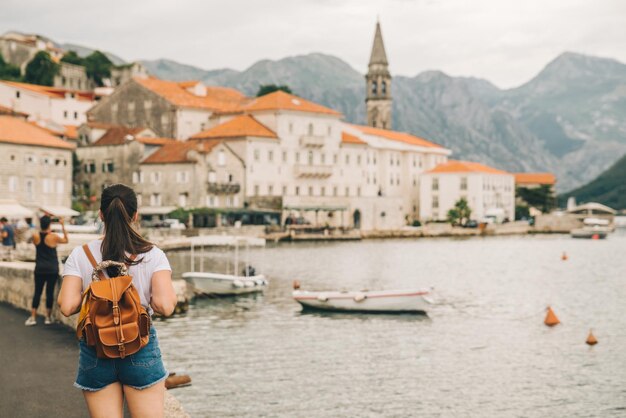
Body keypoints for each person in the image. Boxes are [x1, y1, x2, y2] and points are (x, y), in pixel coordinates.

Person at [58, 184, 177, 418]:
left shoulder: (81, 254)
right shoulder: (152, 255)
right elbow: (165, 306)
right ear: (135, 216)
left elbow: (67, 306)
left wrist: (98, 290)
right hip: (139, 344)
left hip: (96, 347)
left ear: (101, 214)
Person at [25, 215, 68, 326]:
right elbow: (66, 240)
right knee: (49, 293)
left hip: (39, 269)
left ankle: (33, 317)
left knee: (37, 293)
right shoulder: (53, 237)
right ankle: (48, 318)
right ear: (50, 224)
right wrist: (62, 225)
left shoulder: (36, 236)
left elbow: (30, 241)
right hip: (52, 269)